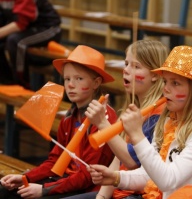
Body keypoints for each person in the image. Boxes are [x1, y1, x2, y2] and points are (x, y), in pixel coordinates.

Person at [87, 45, 192, 199]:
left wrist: (137, 135)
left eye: (175, 83)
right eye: (165, 81)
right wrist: (116, 178)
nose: (166, 89)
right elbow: (149, 175)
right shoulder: (169, 121)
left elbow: (168, 180)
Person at [0, 45, 118, 198]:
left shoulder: (104, 118)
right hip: (64, 180)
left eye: (79, 79)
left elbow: (87, 176)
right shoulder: (69, 116)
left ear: (96, 83)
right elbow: (54, 161)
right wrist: (25, 178)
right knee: (6, 191)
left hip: (87, 189)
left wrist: (44, 189)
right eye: (67, 78)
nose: (70, 84)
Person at [62, 40, 169, 199]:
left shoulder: (158, 115)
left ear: (154, 75)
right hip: (120, 189)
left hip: (140, 194)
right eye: (126, 63)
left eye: (136, 66)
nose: (126, 70)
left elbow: (132, 161)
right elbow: (118, 160)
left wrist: (103, 124)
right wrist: (102, 196)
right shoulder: (133, 107)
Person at [0, 0, 61, 88]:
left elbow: (20, 23)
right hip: (27, 29)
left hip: (47, 28)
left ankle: (22, 84)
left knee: (15, 41)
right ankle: (7, 82)